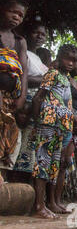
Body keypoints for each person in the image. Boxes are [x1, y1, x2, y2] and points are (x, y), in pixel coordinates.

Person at [30, 44, 77, 218]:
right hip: (47, 124)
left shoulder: (66, 78)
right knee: (42, 163)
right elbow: (38, 97)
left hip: (60, 127)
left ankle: (51, 202)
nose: (71, 63)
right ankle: (38, 206)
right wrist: (36, 123)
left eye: (74, 61)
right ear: (59, 57)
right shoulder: (52, 74)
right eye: (68, 59)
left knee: (54, 166)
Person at [9, 22, 49, 183]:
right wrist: (46, 80)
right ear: (27, 34)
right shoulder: (23, 54)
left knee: (31, 151)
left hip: (37, 109)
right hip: (26, 106)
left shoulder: (38, 57)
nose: (40, 36)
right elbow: (23, 77)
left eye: (43, 34)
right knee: (21, 149)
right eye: (36, 32)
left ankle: (24, 192)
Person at [53, 54, 77, 214]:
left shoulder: (75, 83)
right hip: (64, 122)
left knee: (65, 164)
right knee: (58, 161)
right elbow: (59, 101)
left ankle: (57, 200)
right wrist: (74, 119)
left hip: (74, 127)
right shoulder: (59, 77)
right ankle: (51, 201)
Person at [0, 0, 28, 111]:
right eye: (13, 12)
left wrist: (22, 97)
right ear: (2, 11)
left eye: (20, 15)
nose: (16, 17)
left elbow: (24, 71)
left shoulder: (20, 41)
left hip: (9, 98)